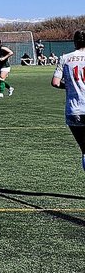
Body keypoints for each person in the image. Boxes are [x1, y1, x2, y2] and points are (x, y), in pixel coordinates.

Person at [50, 29, 85, 173]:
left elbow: (55, 82)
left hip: (74, 110)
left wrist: (70, 86)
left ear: (75, 42)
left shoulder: (65, 58)